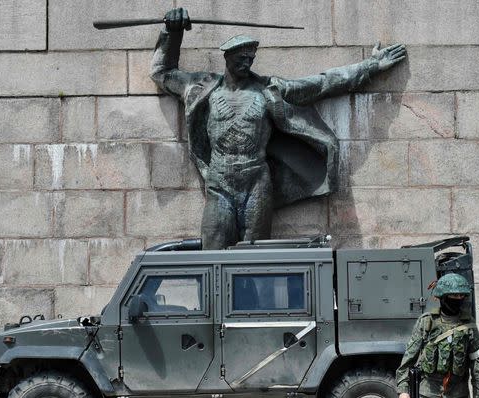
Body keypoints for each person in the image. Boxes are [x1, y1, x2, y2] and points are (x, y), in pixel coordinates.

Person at [151, 7, 406, 249]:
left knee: (256, 257)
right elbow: (162, 72)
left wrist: (370, 66)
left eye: (250, 58)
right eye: (241, 57)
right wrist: (172, 33)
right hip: (219, 183)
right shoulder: (200, 88)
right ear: (227, 56)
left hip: (256, 182)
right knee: (213, 250)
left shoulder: (269, 89)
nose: (247, 62)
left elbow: (322, 83)